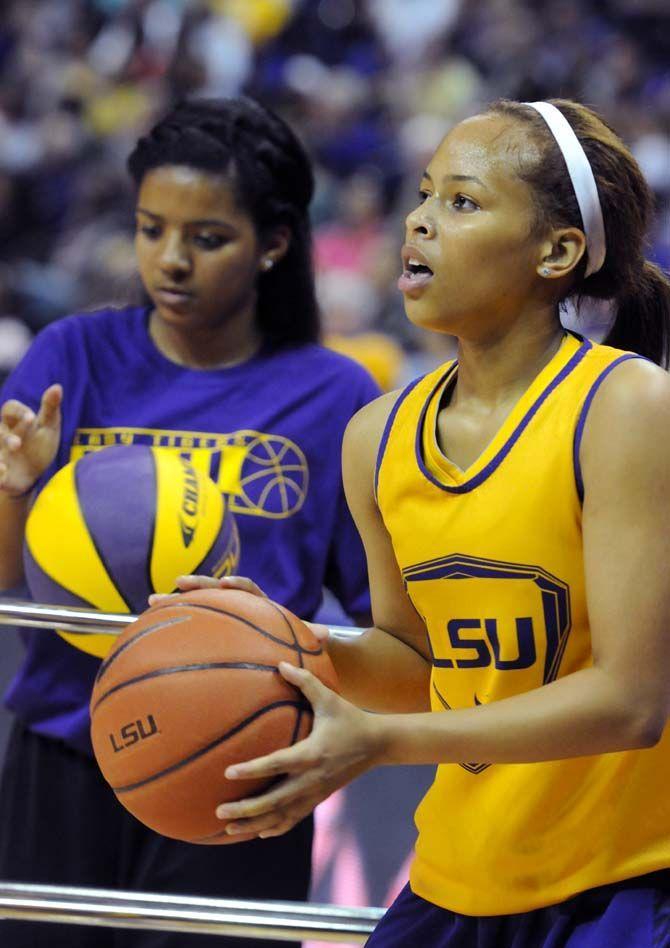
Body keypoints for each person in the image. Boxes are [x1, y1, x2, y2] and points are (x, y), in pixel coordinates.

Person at [177, 99, 670, 946]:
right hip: (457, 875)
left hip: (620, 888)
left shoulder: (627, 407)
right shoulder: (376, 438)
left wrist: (382, 744)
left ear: (557, 252)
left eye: (463, 202)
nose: (419, 220)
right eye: (424, 194)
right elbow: (415, 659)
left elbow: (633, 702)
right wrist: (285, 640)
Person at [0, 96, 379, 948]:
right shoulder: (71, 355)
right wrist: (14, 490)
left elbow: (378, 623)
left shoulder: (339, 397)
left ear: (275, 244)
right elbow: (2, 577)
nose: (169, 260)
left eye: (207, 238)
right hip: (66, 749)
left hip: (240, 764)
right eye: (149, 229)